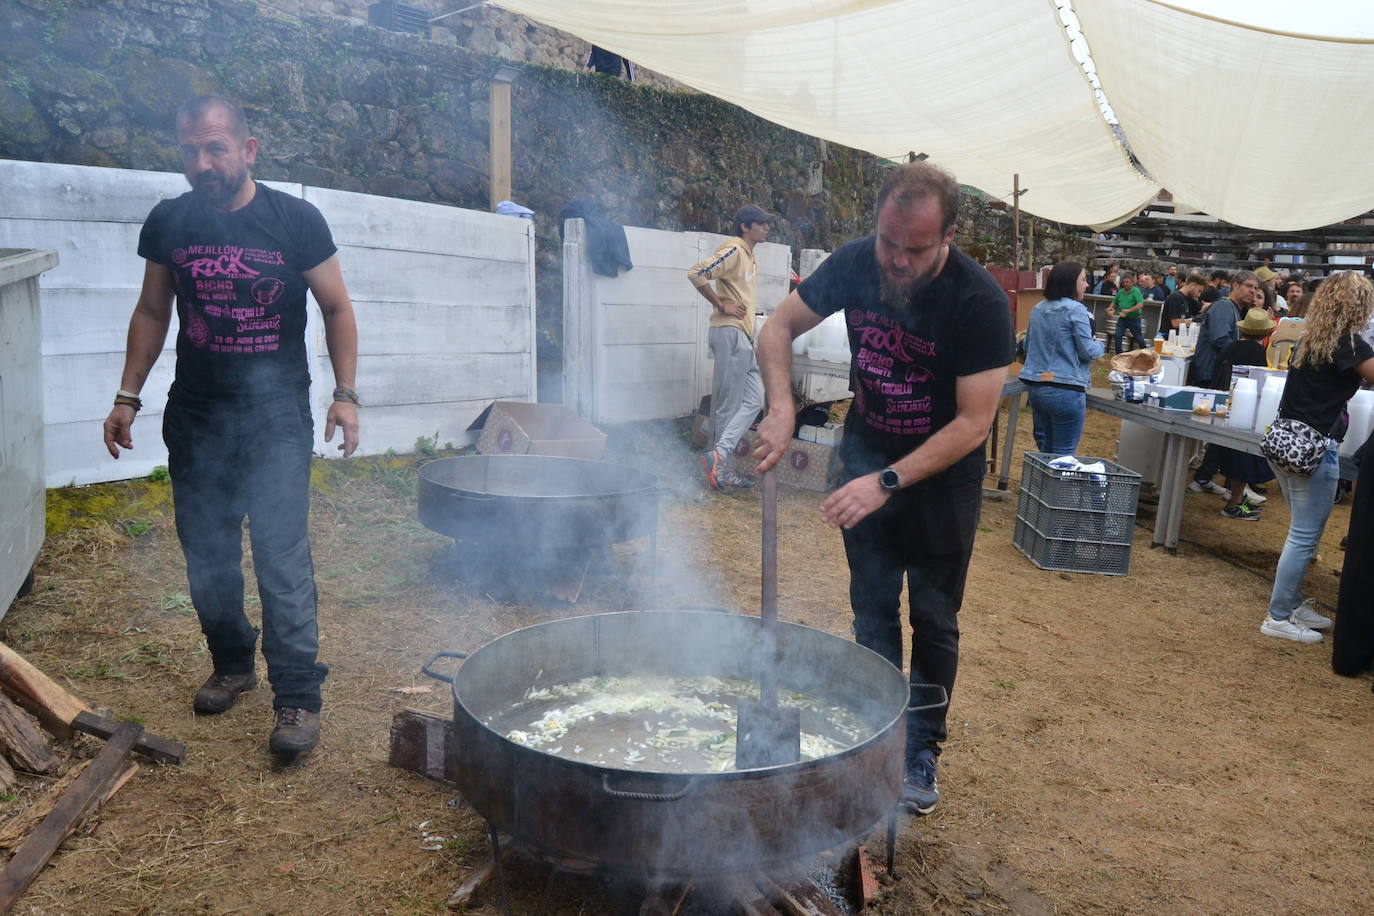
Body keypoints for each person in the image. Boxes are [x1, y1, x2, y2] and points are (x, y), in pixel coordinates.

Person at [102, 95, 359, 759]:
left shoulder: (294, 221)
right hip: (198, 411)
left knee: (280, 554)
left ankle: (298, 694)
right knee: (207, 551)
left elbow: (335, 308)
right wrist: (128, 395)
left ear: (248, 150)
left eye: (215, 148)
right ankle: (234, 663)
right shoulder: (171, 222)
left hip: (274, 413)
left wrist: (346, 394)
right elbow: (153, 311)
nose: (202, 163)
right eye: (190, 149)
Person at [753, 161, 1013, 815]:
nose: (896, 261)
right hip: (867, 452)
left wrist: (887, 481)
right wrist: (782, 405)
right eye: (889, 242)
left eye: (915, 249)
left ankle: (921, 748)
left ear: (949, 235)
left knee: (932, 618)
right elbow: (776, 328)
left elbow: (975, 421)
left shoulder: (979, 302)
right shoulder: (856, 262)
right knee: (871, 611)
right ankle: (873, 734)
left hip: (938, 482)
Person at [1261, 271, 1374, 643]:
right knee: (1304, 536)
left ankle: (1290, 605)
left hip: (1287, 441)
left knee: (1301, 532)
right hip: (1314, 447)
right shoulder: (1349, 344)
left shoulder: (1312, 337)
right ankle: (1278, 616)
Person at [688, 203, 774, 490]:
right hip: (729, 332)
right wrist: (721, 304)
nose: (766, 228)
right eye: (761, 223)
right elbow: (697, 273)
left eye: (766, 224)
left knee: (754, 399)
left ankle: (719, 455)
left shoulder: (749, 256)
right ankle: (719, 469)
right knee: (727, 404)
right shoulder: (735, 249)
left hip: (742, 338)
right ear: (744, 226)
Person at [1018, 261, 1103, 454]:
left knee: (1046, 451)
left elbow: (1027, 346)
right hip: (1066, 389)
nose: (1087, 284)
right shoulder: (1076, 309)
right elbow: (1088, 351)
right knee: (1063, 455)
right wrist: (1100, 344)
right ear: (1070, 282)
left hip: (1037, 387)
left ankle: (1040, 485)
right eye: (1083, 280)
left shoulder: (1038, 308)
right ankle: (1053, 485)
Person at [1188, 271, 1261, 495]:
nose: (1253, 291)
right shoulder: (1223, 307)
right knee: (1219, 431)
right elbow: (1221, 340)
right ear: (1234, 285)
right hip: (1212, 374)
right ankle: (1203, 478)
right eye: (1248, 286)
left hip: (1220, 374)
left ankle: (1206, 477)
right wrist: (1246, 350)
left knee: (1221, 431)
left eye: (1256, 288)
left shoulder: (1236, 310)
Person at [1213, 309, 1277, 520]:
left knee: (1230, 453)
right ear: (1265, 334)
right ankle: (1234, 503)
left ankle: (1234, 497)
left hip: (1224, 404)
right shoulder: (1257, 353)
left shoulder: (1232, 346)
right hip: (1244, 409)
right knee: (1242, 456)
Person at [1109, 270, 1147, 353]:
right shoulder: (1121, 292)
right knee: (1117, 335)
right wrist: (1111, 307)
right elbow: (1115, 302)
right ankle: (1119, 354)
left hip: (1134, 318)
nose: (1125, 284)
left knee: (1138, 337)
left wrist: (1129, 310)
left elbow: (1140, 305)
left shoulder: (1136, 291)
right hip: (1123, 318)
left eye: (1127, 282)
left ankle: (1146, 352)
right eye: (1124, 282)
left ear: (1132, 282)